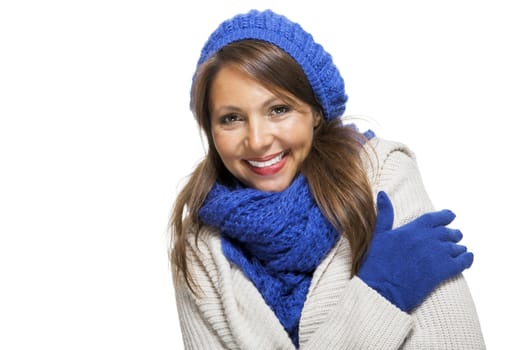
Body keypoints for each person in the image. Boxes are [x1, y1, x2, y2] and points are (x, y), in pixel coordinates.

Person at [169, 9, 485, 349]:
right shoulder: (199, 250)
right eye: (231, 118)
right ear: (210, 129)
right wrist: (378, 296)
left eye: (279, 109)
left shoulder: (379, 175)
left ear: (316, 112)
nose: (258, 139)